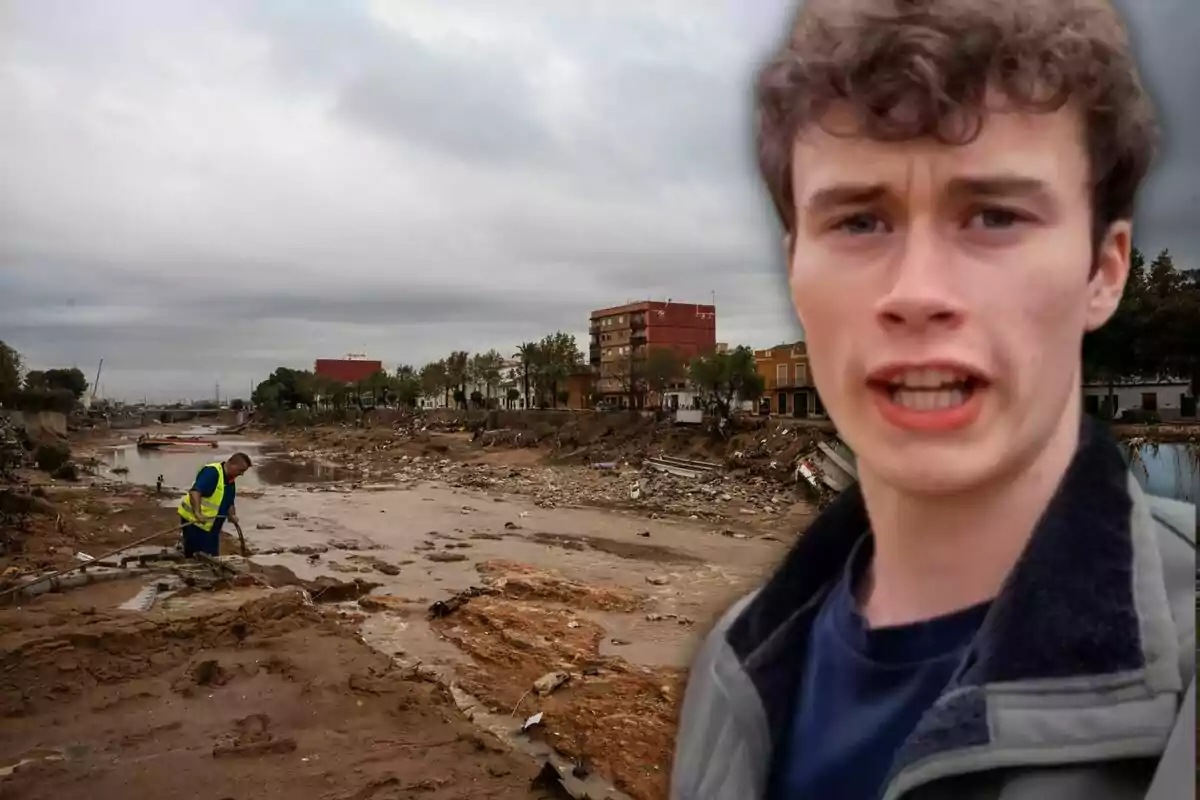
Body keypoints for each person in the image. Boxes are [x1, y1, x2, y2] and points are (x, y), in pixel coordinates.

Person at [671, 2, 1195, 799]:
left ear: (1104, 270)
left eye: (994, 215)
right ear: (794, 268)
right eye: (858, 221)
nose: (917, 294)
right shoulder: (736, 668)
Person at [178, 452, 252, 558]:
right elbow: (195, 492)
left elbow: (229, 500)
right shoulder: (212, 473)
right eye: (241, 470)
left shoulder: (230, 480)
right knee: (196, 556)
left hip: (211, 526)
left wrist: (232, 515)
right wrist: (198, 513)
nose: (242, 474)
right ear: (232, 464)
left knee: (211, 555)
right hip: (195, 523)